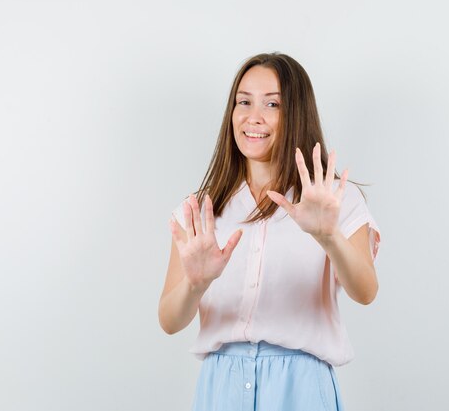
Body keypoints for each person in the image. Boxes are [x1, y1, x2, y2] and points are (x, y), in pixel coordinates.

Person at [158, 52, 381, 411]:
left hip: (301, 387)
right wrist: (196, 284)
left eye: (272, 104)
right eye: (243, 102)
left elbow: (366, 290)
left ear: (296, 113)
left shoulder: (333, 198)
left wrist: (328, 237)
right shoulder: (200, 210)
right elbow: (169, 320)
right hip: (220, 387)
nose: (253, 117)